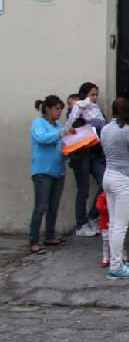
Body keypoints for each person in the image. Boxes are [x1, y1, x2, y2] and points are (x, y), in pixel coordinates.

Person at [100, 98, 129, 279]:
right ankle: (116, 266)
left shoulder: (104, 129)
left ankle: (116, 261)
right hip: (124, 179)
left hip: (108, 175)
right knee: (120, 226)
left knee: (113, 225)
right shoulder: (128, 131)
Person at [65, 82, 107, 237]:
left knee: (105, 182)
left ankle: (92, 216)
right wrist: (91, 125)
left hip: (95, 153)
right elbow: (74, 128)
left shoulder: (97, 110)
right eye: (92, 94)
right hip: (81, 154)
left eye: (96, 94)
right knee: (83, 189)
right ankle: (81, 224)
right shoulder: (75, 109)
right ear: (84, 95)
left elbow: (104, 125)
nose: (94, 98)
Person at [29, 96, 68, 255]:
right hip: (42, 171)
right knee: (41, 207)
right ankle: (34, 240)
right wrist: (62, 133)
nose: (59, 112)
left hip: (58, 171)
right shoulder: (38, 124)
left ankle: (50, 235)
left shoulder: (59, 126)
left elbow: (62, 146)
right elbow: (42, 139)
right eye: (57, 109)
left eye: (61, 109)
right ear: (48, 108)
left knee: (53, 205)